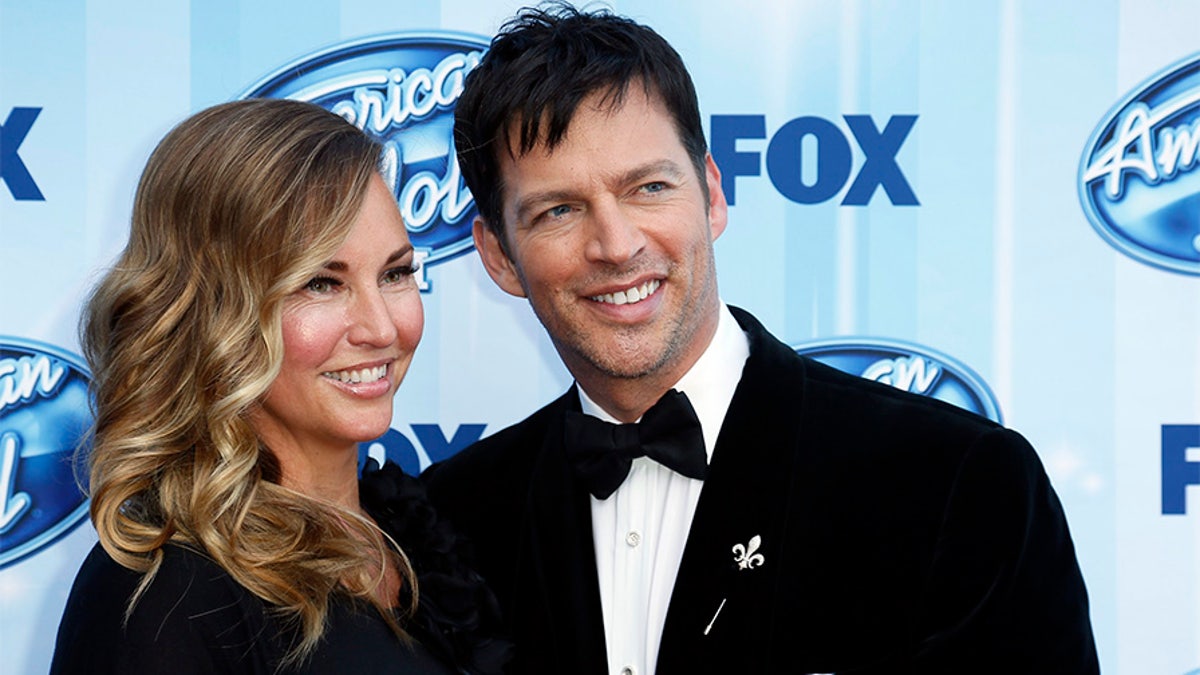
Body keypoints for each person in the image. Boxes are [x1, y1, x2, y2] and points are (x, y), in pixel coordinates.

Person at [423, 4, 1100, 674]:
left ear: (712, 195)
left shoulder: (959, 483)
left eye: (650, 187)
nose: (617, 244)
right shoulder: (450, 524)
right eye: (559, 210)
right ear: (500, 256)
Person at [51, 99, 508, 674]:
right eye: (321, 283)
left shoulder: (417, 535)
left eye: (394, 273)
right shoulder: (164, 594)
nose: (381, 328)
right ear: (214, 314)